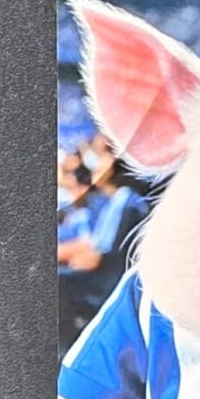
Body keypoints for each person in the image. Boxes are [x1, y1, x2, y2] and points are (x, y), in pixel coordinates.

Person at [58, 139, 149, 353]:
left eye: (104, 155)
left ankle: (66, 352)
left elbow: (96, 256)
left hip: (108, 283)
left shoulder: (125, 199)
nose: (97, 163)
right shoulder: (118, 200)